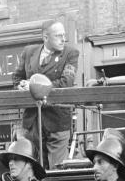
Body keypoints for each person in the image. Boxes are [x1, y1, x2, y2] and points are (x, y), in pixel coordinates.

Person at [13, 20, 79, 169]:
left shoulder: (70, 53)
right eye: (58, 36)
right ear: (45, 37)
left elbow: (66, 82)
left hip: (57, 121)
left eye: (64, 35)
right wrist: (21, 86)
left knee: (57, 171)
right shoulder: (29, 52)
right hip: (32, 121)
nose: (63, 39)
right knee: (34, 170)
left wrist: (34, 85)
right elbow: (16, 78)